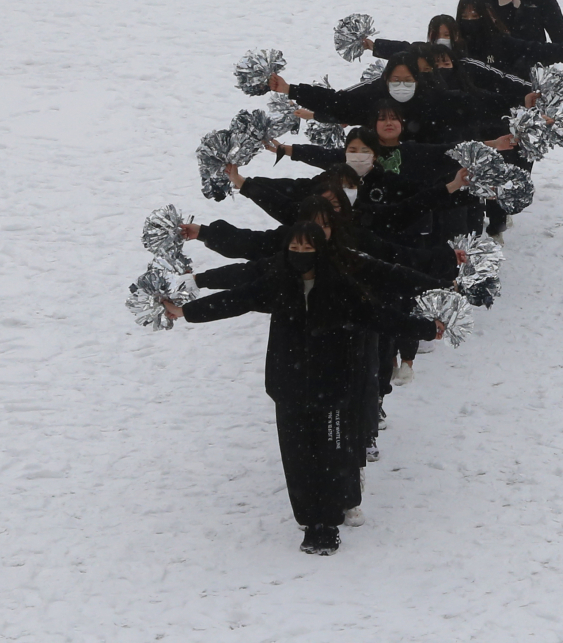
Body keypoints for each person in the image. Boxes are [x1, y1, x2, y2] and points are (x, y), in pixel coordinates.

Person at [163, 224, 447, 555]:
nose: (300, 256)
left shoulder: (342, 286)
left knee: (332, 455)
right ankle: (309, 520)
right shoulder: (278, 284)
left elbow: (379, 316)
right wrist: (186, 312)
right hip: (289, 386)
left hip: (334, 387)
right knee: (297, 460)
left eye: (307, 249)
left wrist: (426, 328)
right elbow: (235, 300)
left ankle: (327, 524)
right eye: (294, 250)